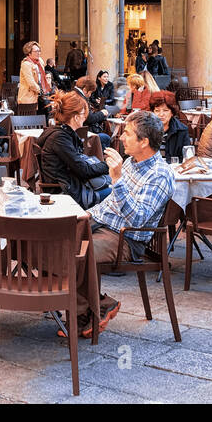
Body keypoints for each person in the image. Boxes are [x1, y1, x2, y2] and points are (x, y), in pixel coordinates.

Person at [77, 112, 175, 336]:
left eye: (128, 134)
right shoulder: (132, 162)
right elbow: (109, 204)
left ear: (144, 142)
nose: (121, 137)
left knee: (75, 253)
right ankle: (98, 304)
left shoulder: (160, 175)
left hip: (124, 238)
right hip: (99, 223)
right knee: (49, 240)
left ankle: (84, 313)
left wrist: (118, 180)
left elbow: (138, 220)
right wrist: (84, 216)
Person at [35, 91, 112, 208]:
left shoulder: (60, 133)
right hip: (65, 192)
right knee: (115, 193)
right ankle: (90, 224)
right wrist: (108, 165)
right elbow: (84, 170)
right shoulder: (60, 138)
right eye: (84, 114)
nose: (85, 117)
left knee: (112, 187)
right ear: (76, 117)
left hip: (69, 185)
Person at [149, 90, 191, 164]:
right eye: (157, 110)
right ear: (153, 112)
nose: (161, 114)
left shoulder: (181, 130)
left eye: (165, 110)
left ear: (172, 112)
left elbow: (187, 157)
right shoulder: (146, 129)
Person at [75, 78, 112, 149]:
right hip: (80, 132)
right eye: (90, 93)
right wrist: (101, 113)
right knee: (106, 138)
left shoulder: (74, 94)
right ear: (85, 90)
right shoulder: (80, 98)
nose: (90, 95)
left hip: (77, 131)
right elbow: (89, 118)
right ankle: (101, 157)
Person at [17, 40, 52, 109]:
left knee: (43, 117)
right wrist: (41, 91)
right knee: (30, 119)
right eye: (36, 51)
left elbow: (42, 77)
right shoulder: (26, 64)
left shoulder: (40, 62)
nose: (39, 53)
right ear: (29, 53)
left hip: (40, 97)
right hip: (28, 98)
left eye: (39, 51)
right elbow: (31, 83)